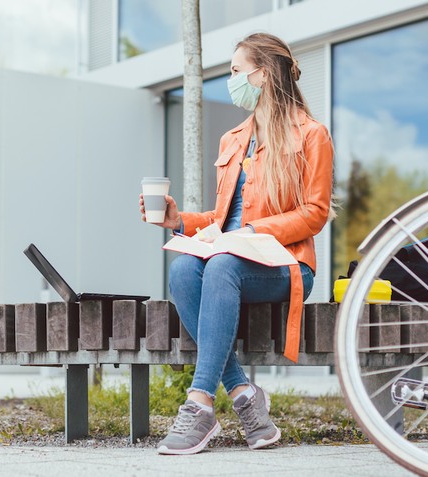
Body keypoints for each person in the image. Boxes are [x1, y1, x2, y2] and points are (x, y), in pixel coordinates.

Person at [139, 33, 333, 455]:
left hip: (287, 265)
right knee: (183, 268)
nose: (230, 80)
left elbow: (315, 213)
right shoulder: (233, 139)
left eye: (235, 71)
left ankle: (200, 402)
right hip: (234, 256)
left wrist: (254, 234)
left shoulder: (311, 134)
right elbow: (222, 218)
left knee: (223, 263)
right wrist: (180, 220)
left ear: (262, 75)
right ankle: (244, 395)